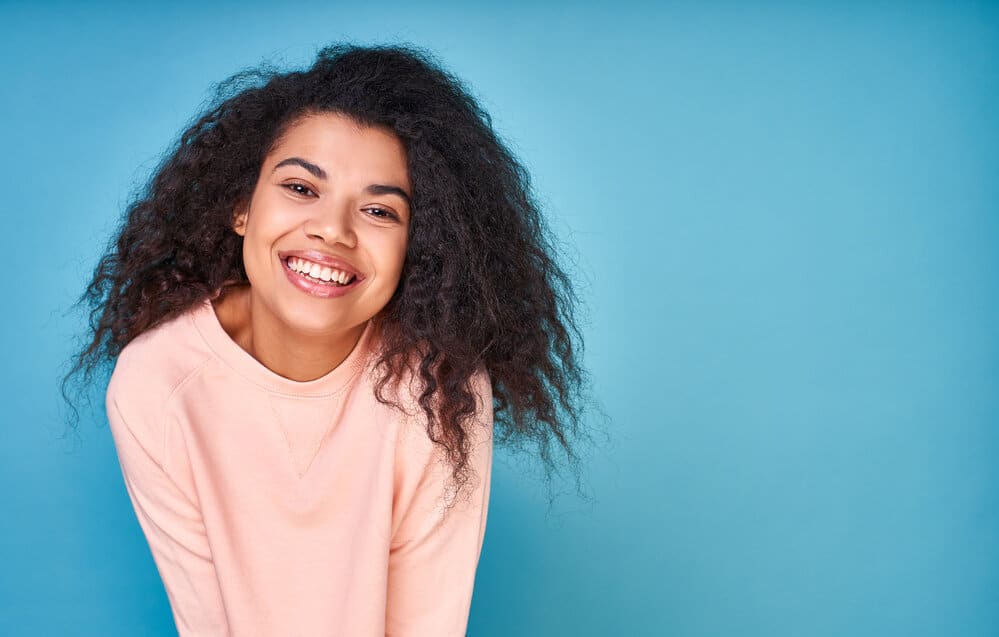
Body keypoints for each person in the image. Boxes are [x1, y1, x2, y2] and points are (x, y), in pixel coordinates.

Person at [61, 42, 597, 636]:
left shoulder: (439, 393)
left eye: (380, 212)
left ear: (417, 246)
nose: (332, 231)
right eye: (301, 188)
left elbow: (428, 624)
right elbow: (207, 622)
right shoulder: (156, 385)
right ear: (241, 205)